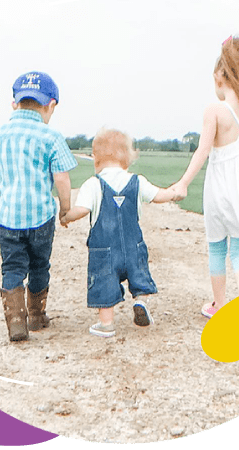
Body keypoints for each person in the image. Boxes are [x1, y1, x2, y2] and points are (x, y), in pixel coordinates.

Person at [171, 36, 239, 318]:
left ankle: (219, 305)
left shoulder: (215, 110)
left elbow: (202, 152)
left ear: (219, 76)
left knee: (216, 248)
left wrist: (184, 183)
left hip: (218, 191)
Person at [0, 71, 78, 341]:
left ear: (14, 104)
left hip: (8, 217)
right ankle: (36, 316)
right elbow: (62, 178)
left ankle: (16, 320)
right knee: (39, 266)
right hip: (41, 218)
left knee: (12, 268)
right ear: (51, 105)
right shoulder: (51, 136)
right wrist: (64, 209)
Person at [61, 129, 176, 337]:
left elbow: (82, 210)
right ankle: (140, 301)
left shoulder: (93, 184)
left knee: (104, 282)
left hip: (104, 250)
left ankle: (106, 324)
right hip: (134, 246)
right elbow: (158, 195)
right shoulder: (137, 181)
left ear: (96, 158)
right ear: (127, 158)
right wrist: (174, 193)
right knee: (139, 275)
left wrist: (66, 216)